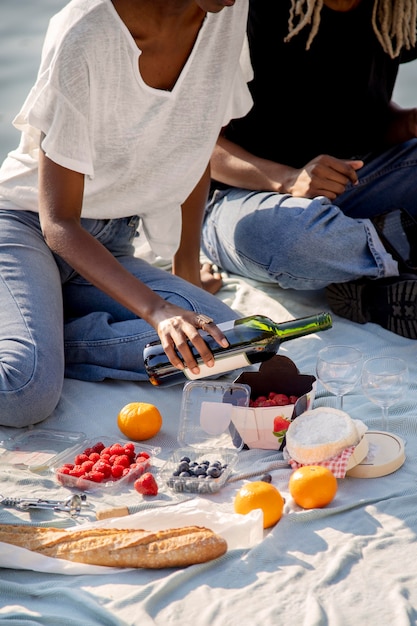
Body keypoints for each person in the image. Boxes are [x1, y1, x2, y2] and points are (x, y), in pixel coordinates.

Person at [0, 0, 253, 428]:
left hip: (110, 245)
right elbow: (58, 223)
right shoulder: (85, 33)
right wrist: (157, 311)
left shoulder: (227, 11)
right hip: (26, 227)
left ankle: (46, 333)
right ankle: (33, 343)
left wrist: (185, 271)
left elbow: (196, 140)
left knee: (232, 346)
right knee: (24, 392)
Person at [201, 0, 417, 340]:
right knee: (293, 241)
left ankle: (371, 285)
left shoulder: (394, 11)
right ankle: (400, 248)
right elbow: (199, 145)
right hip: (248, 200)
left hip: (356, 184)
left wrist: (408, 124)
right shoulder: (251, 11)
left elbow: (366, 114)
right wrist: (287, 180)